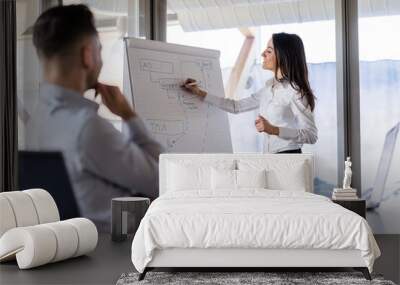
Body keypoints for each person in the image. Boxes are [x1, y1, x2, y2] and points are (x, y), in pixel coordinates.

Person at [30, 4, 163, 231]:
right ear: (87, 55)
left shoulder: (32, 119)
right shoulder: (87, 127)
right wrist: (129, 115)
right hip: (115, 250)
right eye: (99, 50)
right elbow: (163, 181)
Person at [182, 32, 318, 154]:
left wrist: (274, 130)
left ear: (282, 56)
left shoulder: (295, 91)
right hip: (269, 156)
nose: (263, 53)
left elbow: (311, 135)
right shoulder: (268, 88)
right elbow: (236, 107)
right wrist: (199, 92)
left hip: (289, 157)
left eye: (269, 51)